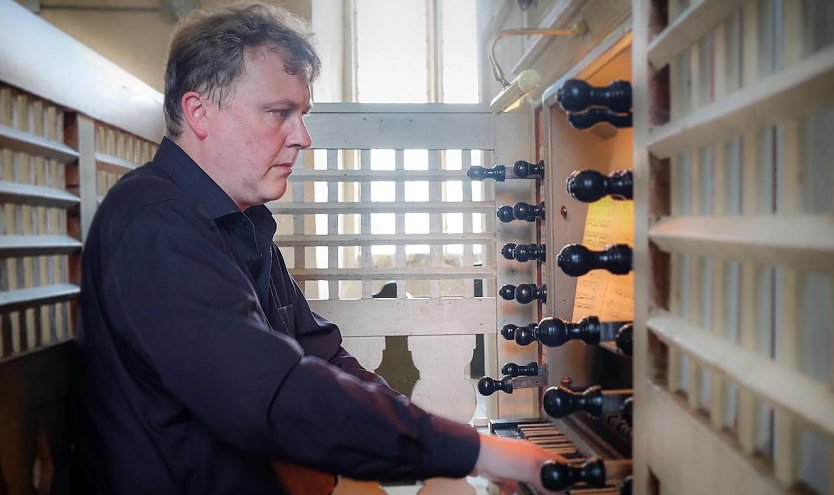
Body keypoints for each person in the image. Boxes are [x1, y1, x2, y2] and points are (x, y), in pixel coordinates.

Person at [72, 2, 561, 494]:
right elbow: (275, 398)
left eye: (301, 114)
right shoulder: (156, 226)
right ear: (199, 112)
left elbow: (321, 356)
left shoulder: (238, 222)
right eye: (279, 113)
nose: (302, 137)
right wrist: (473, 452)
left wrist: (456, 448)